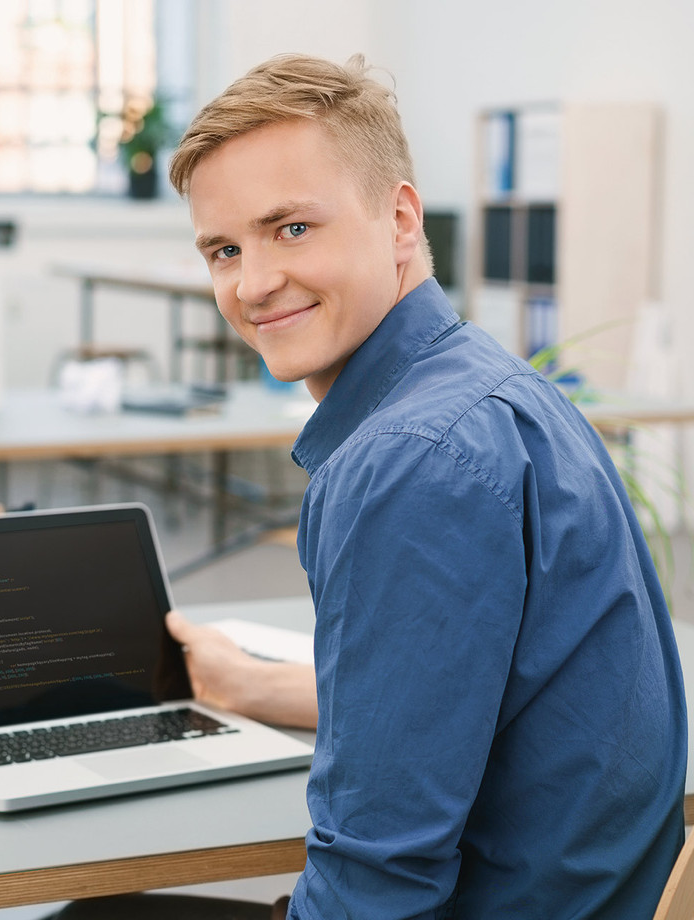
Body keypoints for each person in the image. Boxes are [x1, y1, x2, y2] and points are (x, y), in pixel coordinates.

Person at [54, 52, 687, 919]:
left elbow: (378, 878)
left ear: (399, 219)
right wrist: (256, 688)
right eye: (224, 249)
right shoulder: (492, 386)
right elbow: (478, 692)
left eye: (293, 229)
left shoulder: (409, 459)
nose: (253, 283)